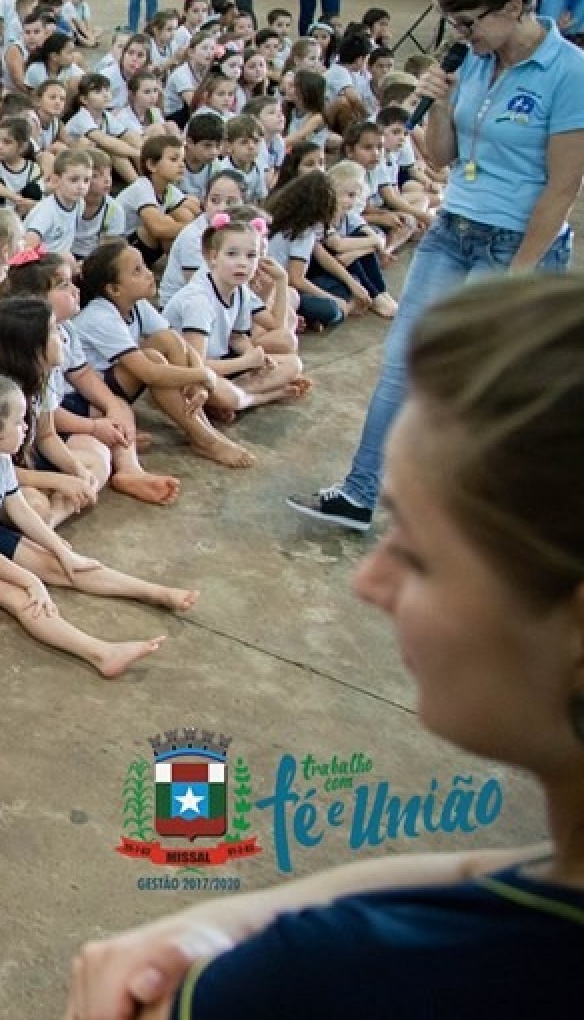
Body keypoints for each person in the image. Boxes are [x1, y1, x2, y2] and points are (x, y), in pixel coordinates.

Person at [69, 274, 584, 1020]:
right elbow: (520, 869)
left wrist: (281, 946)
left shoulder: (342, 978)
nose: (369, 583)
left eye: (418, 553)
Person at [289, 0, 583, 532]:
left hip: (519, 243)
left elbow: (563, 186)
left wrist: (522, 272)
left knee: (488, 386)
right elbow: (442, 156)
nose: (460, 33)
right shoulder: (472, 60)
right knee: (404, 365)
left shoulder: (569, 73)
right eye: (453, 22)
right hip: (454, 230)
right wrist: (440, 103)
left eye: (469, 22)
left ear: (515, 7)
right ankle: (360, 492)